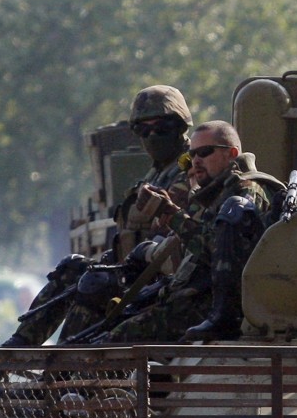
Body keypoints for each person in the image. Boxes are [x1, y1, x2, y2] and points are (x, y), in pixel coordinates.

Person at [0, 84, 195, 349]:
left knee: (95, 283)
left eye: (160, 128)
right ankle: (15, 349)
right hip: (135, 274)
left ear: (179, 127)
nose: (151, 137)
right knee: (72, 269)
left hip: (161, 282)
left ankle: (58, 368)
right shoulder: (157, 173)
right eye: (143, 129)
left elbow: (176, 242)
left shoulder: (190, 173)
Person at [100, 120, 285, 343]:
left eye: (205, 153)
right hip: (194, 299)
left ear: (232, 154)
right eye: (191, 155)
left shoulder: (246, 191)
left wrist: (172, 215)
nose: (196, 161)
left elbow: (219, 252)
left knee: (115, 341)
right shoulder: (217, 193)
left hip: (218, 308)